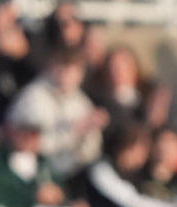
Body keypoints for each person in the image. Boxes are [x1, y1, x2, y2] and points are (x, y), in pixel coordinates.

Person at [6, 47, 104, 179]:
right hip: (35, 172)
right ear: (52, 67)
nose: (67, 74)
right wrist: (74, 130)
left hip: (72, 173)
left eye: (74, 69)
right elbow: (35, 145)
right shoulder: (33, 97)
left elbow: (91, 151)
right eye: (63, 67)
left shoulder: (82, 102)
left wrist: (90, 132)